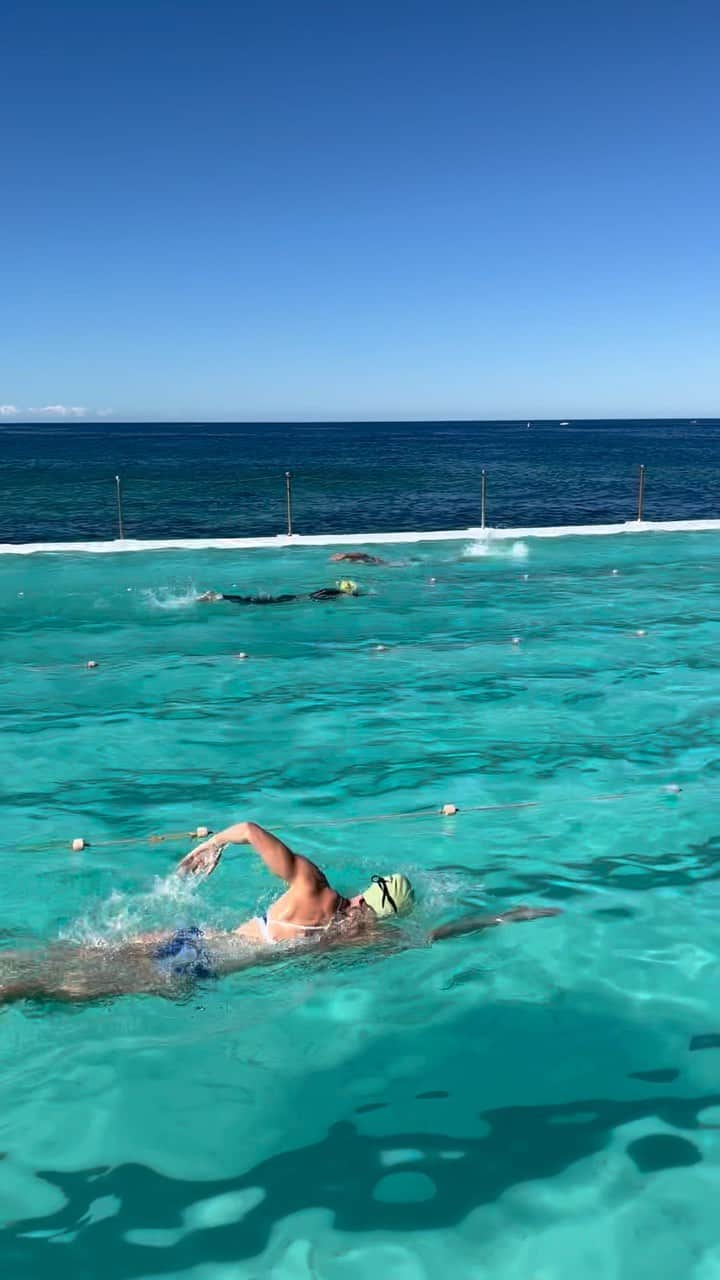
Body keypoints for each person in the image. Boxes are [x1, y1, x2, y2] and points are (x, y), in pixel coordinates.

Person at [0, 821, 559, 1006]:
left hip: (190, 936)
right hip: (199, 968)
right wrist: (503, 917)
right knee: (57, 989)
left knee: (64, 958)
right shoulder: (364, 941)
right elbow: (437, 936)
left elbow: (247, 827)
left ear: (369, 888)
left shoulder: (313, 884)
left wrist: (209, 846)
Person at [196, 579, 360, 605]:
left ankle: (220, 596)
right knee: (253, 602)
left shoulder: (332, 592)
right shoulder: (332, 593)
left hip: (290, 598)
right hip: (288, 600)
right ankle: (219, 596)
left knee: (252, 601)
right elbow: (322, 593)